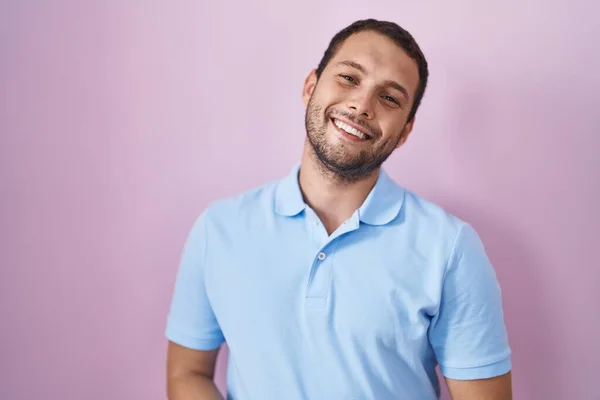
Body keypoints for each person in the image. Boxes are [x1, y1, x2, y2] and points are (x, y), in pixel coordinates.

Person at [165, 18, 512, 400]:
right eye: (349, 78)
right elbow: (188, 373)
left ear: (405, 132)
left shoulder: (450, 247)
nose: (361, 106)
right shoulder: (219, 229)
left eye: (390, 98)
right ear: (310, 86)